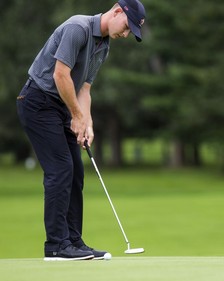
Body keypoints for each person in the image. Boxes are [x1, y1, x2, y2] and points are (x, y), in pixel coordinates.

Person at [16, 0, 146, 261]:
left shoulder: (103, 46)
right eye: (127, 26)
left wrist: (86, 122)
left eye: (131, 31)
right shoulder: (78, 28)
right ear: (117, 10)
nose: (126, 33)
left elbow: (84, 89)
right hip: (38, 102)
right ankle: (56, 245)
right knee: (60, 169)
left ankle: (73, 242)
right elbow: (60, 75)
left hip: (63, 105)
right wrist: (75, 115)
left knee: (75, 171)